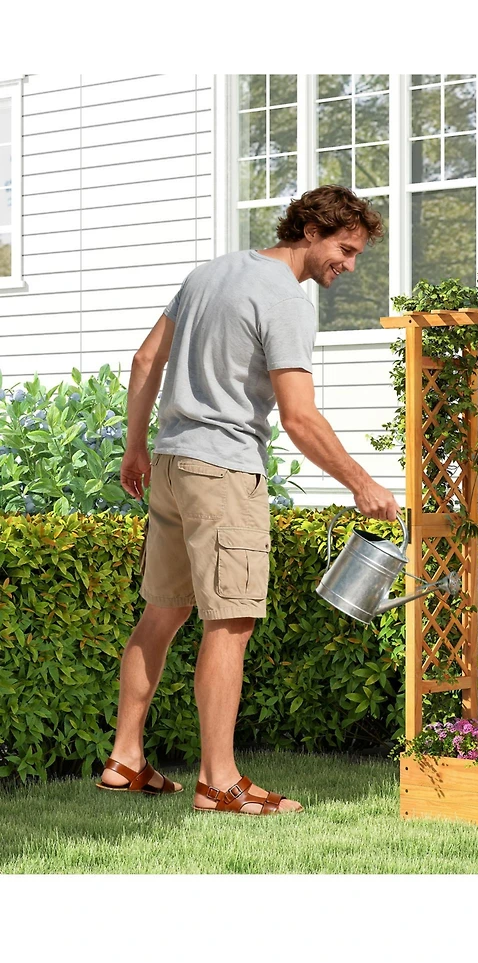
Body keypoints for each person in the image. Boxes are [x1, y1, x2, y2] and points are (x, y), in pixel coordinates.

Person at [96, 185, 400, 816]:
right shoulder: (287, 299)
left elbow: (145, 358)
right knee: (230, 622)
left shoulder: (210, 273)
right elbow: (297, 417)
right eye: (345, 249)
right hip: (225, 471)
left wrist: (135, 446)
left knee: (163, 612)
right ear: (312, 230)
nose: (348, 264)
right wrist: (361, 483)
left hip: (173, 461)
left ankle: (125, 759)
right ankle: (220, 781)